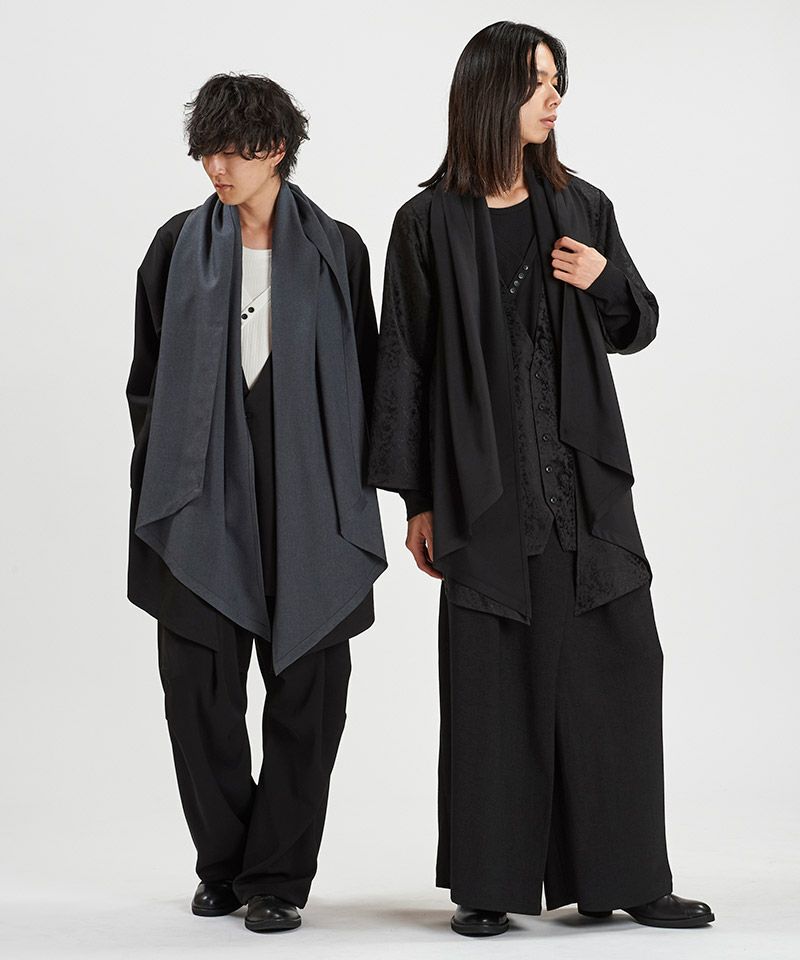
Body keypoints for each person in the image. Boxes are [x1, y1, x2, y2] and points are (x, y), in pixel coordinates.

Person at [367, 22, 714, 936]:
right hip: (484, 491)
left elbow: (636, 324)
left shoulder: (582, 205)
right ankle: (489, 885)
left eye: (558, 81)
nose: (554, 98)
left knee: (619, 668)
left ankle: (625, 878)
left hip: (582, 490)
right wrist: (418, 502)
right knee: (493, 681)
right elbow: (403, 365)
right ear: (490, 91)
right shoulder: (425, 224)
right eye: (537, 82)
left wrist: (602, 279)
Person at [126, 73, 387, 933]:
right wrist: (169, 476)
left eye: (233, 150)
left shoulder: (339, 249)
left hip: (314, 500)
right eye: (206, 151)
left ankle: (277, 876)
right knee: (196, 690)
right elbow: (145, 379)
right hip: (199, 499)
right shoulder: (176, 246)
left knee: (311, 691)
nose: (216, 168)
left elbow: (369, 376)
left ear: (275, 149)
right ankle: (225, 864)